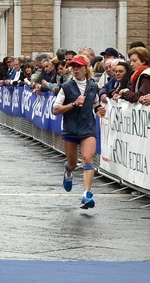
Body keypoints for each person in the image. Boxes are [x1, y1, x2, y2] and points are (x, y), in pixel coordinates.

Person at [53, 55, 105, 209]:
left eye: (79, 67)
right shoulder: (66, 87)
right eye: (73, 67)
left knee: (88, 159)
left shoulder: (92, 86)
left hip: (88, 128)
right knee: (73, 163)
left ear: (86, 69)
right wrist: (74, 104)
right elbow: (55, 110)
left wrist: (98, 109)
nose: (76, 69)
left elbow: (95, 102)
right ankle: (68, 171)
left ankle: (86, 195)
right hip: (71, 129)